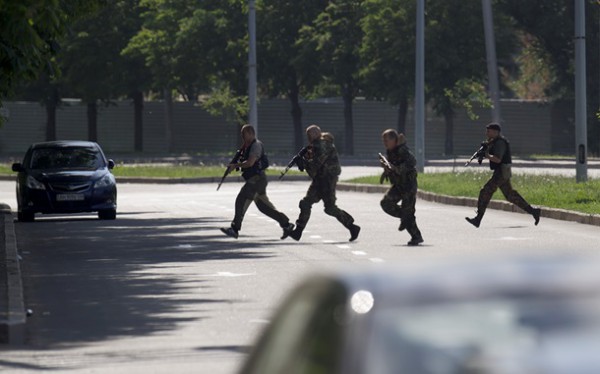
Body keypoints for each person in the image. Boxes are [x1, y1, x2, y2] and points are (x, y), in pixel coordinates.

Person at [288, 125, 360, 242]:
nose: (309, 137)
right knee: (306, 203)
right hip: (319, 180)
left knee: (330, 208)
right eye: (308, 135)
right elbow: (313, 170)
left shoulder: (323, 144)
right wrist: (304, 161)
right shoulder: (314, 147)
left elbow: (316, 165)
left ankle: (352, 227)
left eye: (310, 134)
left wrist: (304, 163)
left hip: (327, 180)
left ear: (317, 133)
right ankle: (298, 231)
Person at [220, 125, 295, 239]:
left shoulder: (256, 145)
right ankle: (286, 224)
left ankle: (235, 228)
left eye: (244, 134)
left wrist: (236, 165)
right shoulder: (246, 147)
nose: (242, 137)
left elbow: (250, 163)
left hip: (256, 180)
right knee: (264, 207)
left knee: (241, 199)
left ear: (250, 133)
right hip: (257, 180)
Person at [466, 122, 541, 228]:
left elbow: (497, 159)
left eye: (489, 131)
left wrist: (486, 155)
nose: (486, 133)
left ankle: (478, 219)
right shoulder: (493, 142)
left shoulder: (500, 143)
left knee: (486, 191)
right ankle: (534, 211)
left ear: (496, 132)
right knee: (510, 195)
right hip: (500, 172)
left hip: (501, 172)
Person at [379, 129, 424, 246]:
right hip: (398, 186)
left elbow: (412, 162)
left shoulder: (402, 150)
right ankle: (405, 216)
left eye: (387, 140)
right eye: (383, 140)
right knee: (386, 203)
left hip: (408, 185)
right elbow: (392, 166)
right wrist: (386, 171)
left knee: (408, 211)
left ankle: (416, 236)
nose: (384, 142)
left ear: (394, 140)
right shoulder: (390, 151)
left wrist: (396, 169)